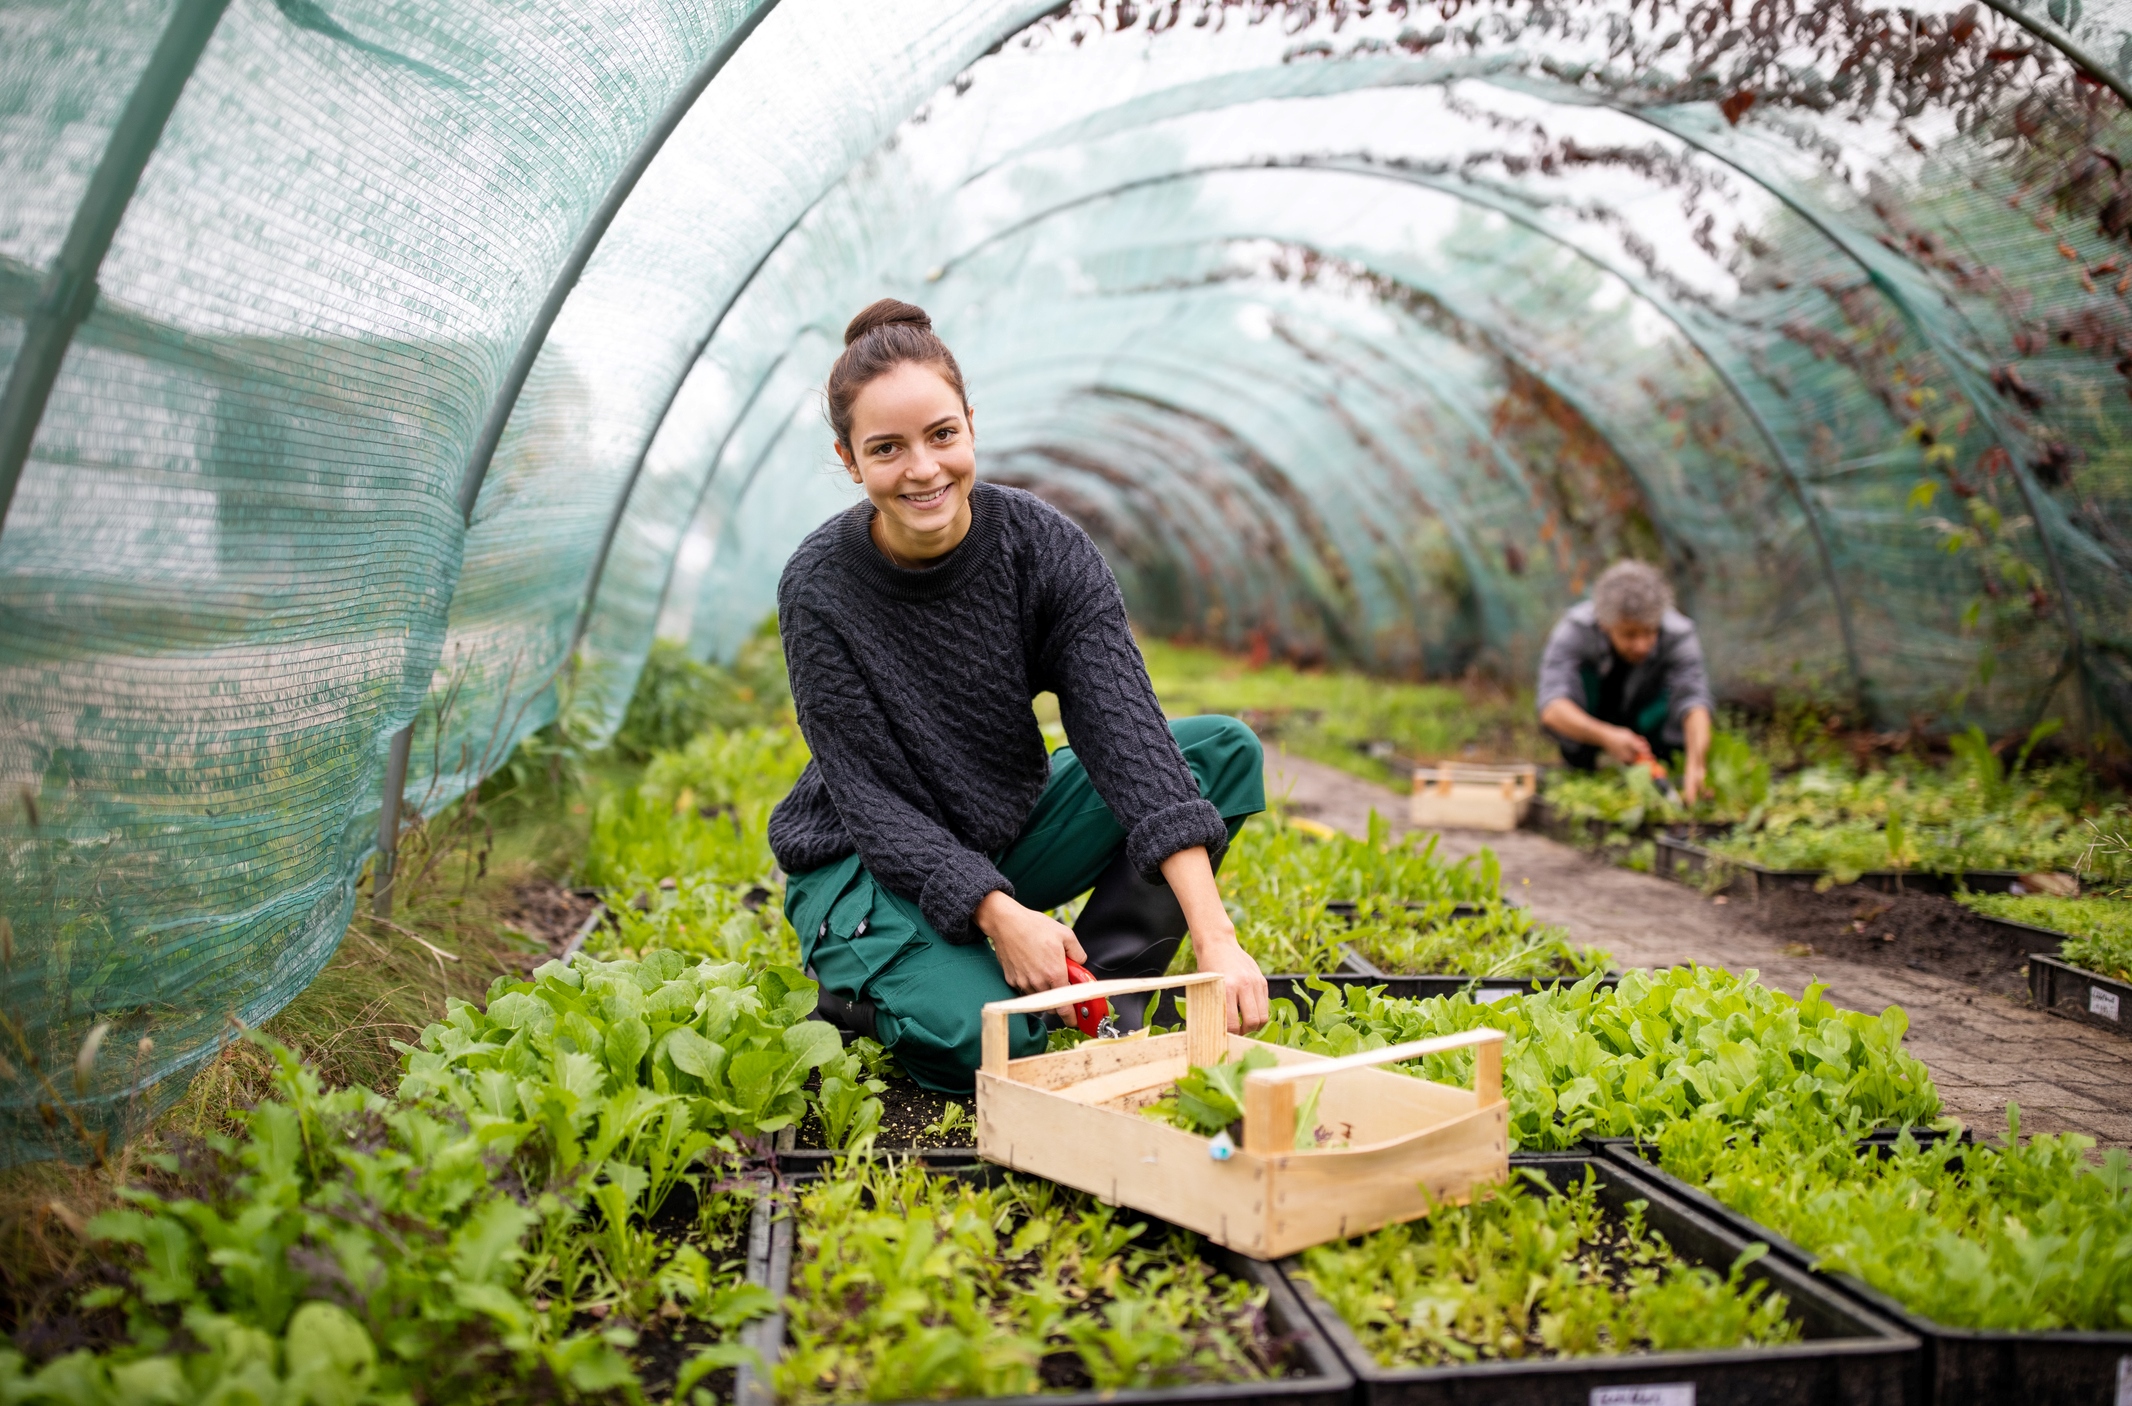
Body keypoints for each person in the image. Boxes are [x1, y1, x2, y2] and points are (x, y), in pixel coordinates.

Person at [767, 298, 1271, 1094]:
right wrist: (1000, 915)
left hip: (995, 828)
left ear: (969, 423)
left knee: (1221, 753)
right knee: (998, 1045)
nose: (924, 469)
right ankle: (870, 987)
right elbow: (871, 801)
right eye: (887, 449)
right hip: (864, 862)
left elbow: (1126, 737)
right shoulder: (820, 586)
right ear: (850, 459)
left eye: (941, 436)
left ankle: (1105, 991)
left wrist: (1216, 940)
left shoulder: (1042, 547)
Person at [1536, 560, 1714, 803]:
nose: (1641, 645)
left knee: (1678, 697)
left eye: (1650, 632)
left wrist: (1697, 762)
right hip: (1597, 714)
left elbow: (1695, 702)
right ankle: (1584, 764)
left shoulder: (1679, 634)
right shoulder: (1575, 630)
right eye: (1629, 634)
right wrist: (1606, 736)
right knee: (1578, 686)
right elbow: (1552, 708)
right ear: (1605, 625)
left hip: (1647, 716)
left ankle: (1666, 766)